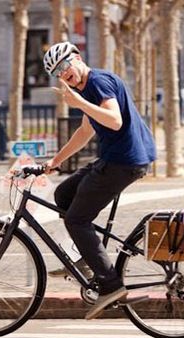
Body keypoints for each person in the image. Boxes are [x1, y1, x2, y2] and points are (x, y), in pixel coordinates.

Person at [42, 41, 156, 319]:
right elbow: (85, 131)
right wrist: (54, 163)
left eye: (65, 66)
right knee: (64, 195)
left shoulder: (97, 82)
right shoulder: (88, 87)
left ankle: (110, 284)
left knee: (76, 220)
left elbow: (115, 120)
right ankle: (89, 258)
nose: (64, 74)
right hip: (119, 159)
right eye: (57, 72)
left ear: (78, 57)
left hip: (123, 162)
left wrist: (79, 103)